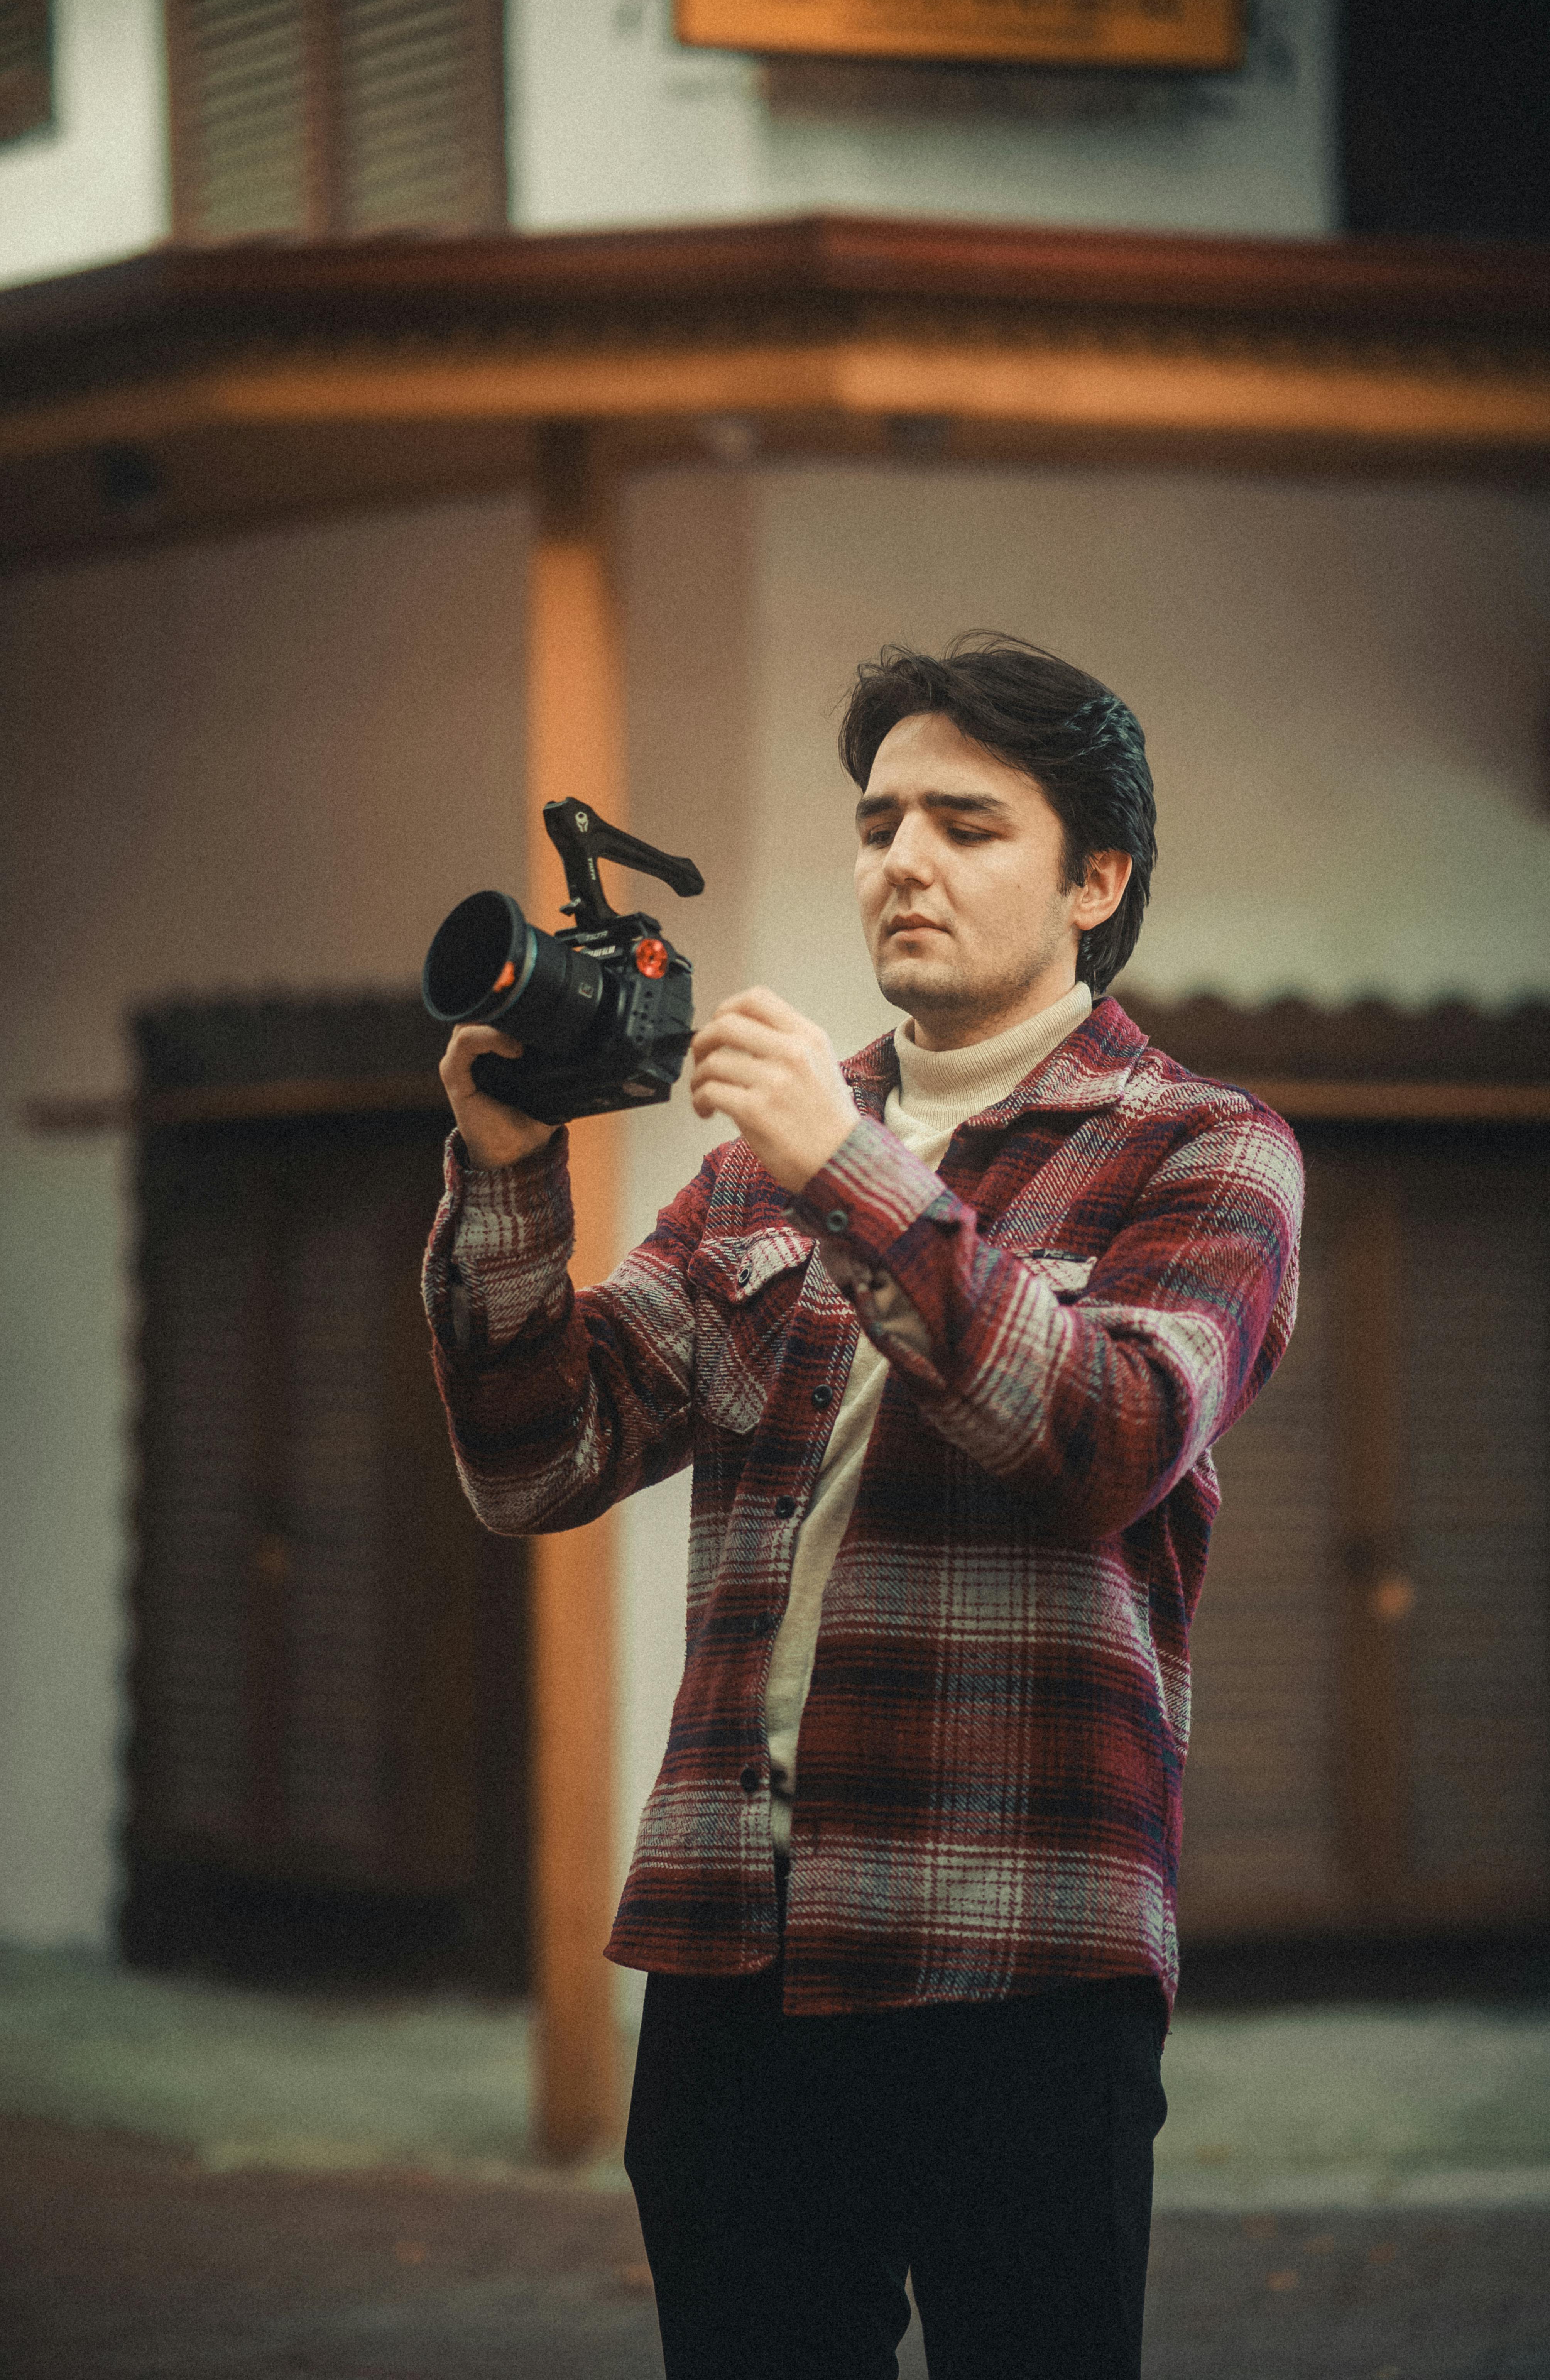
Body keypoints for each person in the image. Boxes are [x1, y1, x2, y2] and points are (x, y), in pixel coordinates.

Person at [423, 634, 1303, 2380]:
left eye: (965, 825)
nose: (899, 859)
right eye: (877, 817)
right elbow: (538, 1458)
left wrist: (851, 1166)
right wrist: (509, 1175)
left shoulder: (1201, 1151)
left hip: (1021, 1957)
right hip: (730, 1950)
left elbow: (1108, 1437)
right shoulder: (754, 1167)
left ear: (1093, 881)